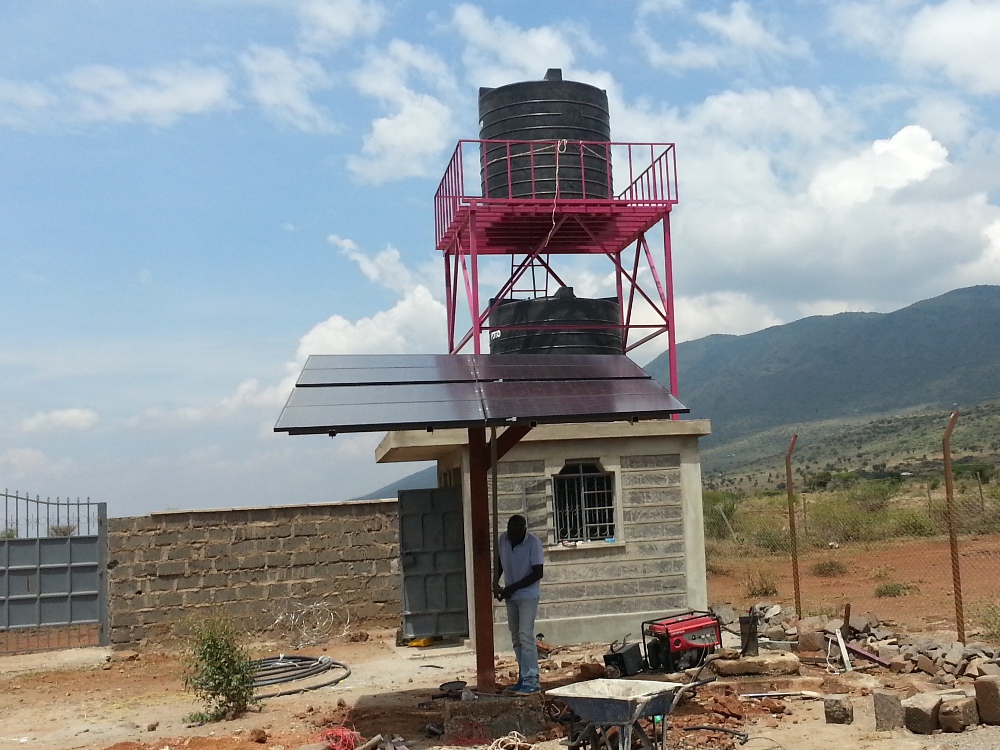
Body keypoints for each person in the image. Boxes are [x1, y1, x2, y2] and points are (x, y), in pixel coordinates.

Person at [493, 514, 544, 695]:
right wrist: (495, 583)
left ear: (524, 529)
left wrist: (513, 587)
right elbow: (499, 563)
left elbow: (538, 572)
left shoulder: (533, 543)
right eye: (510, 531)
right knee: (516, 638)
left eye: (516, 533)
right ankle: (523, 677)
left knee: (525, 635)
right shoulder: (503, 539)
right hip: (511, 596)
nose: (512, 536)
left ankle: (532, 680)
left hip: (528, 595)